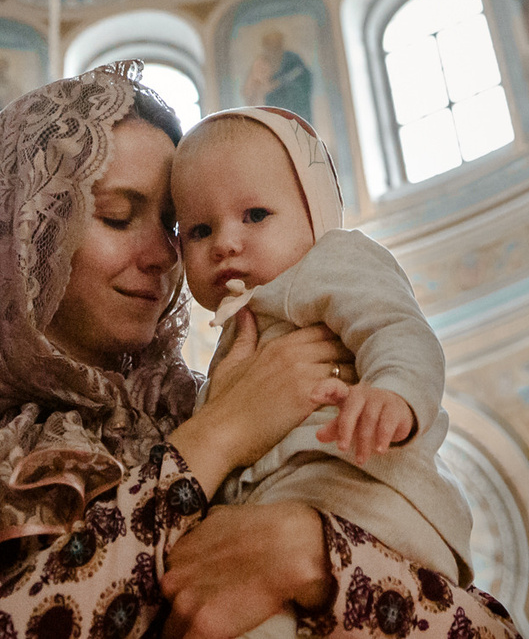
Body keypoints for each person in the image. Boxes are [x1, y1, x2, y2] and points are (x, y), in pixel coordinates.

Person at [0, 69, 518, 639]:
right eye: (120, 215)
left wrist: (315, 554)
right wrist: (213, 442)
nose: (164, 254)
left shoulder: (250, 379)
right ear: (25, 236)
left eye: (175, 223)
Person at [172, 107, 471, 639]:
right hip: (285, 515)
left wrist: (392, 392)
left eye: (256, 215)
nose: (225, 242)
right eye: (199, 229)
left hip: (367, 494)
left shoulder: (332, 262)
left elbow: (396, 328)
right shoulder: (236, 332)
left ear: (315, 212)